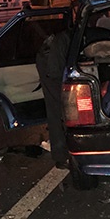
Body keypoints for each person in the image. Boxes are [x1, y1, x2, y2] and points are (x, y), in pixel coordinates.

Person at [35, 30, 72, 169]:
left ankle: (62, 156)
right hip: (52, 72)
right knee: (57, 112)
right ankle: (62, 157)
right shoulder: (65, 37)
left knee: (56, 113)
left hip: (52, 67)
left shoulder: (64, 35)